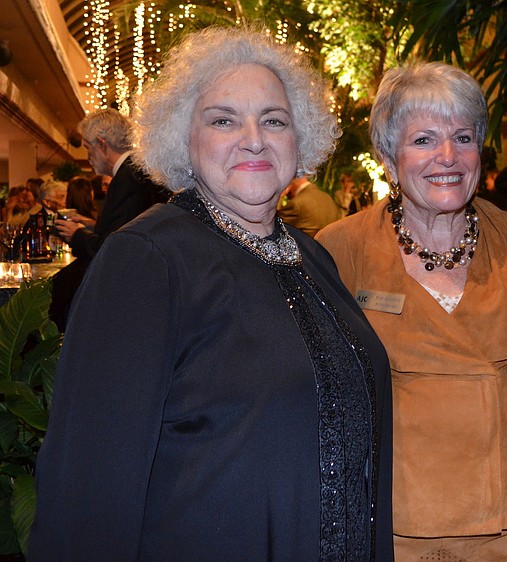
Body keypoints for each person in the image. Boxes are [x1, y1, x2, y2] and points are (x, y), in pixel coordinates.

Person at [30, 26, 393, 561]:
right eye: (223, 120)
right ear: (184, 138)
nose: (254, 138)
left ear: (301, 140)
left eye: (274, 120)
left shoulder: (312, 256)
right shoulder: (147, 259)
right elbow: (91, 483)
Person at [317, 61, 507, 561]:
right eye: (423, 140)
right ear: (386, 157)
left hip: (505, 530)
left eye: (463, 137)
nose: (448, 156)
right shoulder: (340, 250)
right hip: (392, 527)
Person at [50, 108, 168, 331]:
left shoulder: (128, 178)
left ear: (102, 144)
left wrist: (76, 234)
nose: (88, 156)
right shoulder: (135, 172)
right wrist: (91, 226)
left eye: (88, 147)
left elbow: (114, 248)